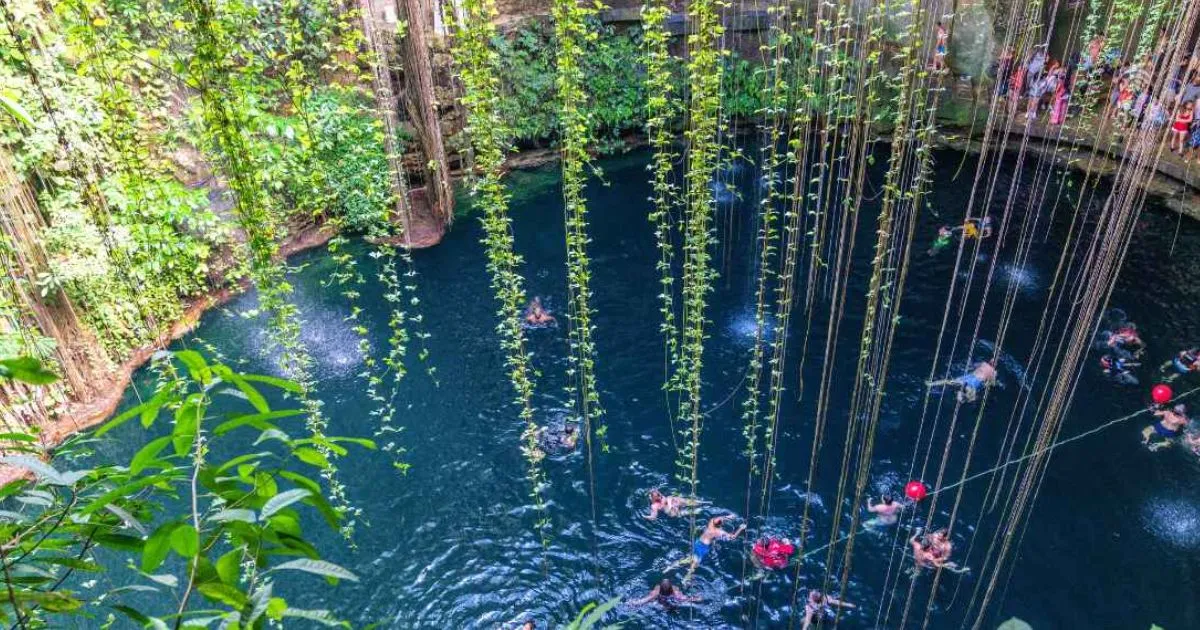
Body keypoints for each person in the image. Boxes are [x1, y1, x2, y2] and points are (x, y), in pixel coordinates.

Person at [677, 516, 746, 573]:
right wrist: (740, 528)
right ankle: (686, 578)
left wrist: (728, 517)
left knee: (691, 556)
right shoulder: (719, 532)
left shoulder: (711, 523)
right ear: (720, 525)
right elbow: (732, 537)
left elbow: (718, 519)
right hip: (703, 548)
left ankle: (674, 565)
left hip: (698, 542)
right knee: (695, 564)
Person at [928, 359, 998, 403]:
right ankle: (960, 396)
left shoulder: (983, 364)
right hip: (973, 383)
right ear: (995, 365)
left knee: (947, 382)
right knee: (971, 399)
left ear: (989, 362)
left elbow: (973, 366)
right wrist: (986, 384)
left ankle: (931, 384)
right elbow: (992, 383)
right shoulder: (994, 372)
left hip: (966, 377)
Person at [628, 578, 699, 608]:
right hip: (671, 601)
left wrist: (632, 603)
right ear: (671, 587)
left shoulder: (655, 592)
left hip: (660, 601)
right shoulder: (676, 593)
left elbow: (643, 601)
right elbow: (687, 599)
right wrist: (697, 598)